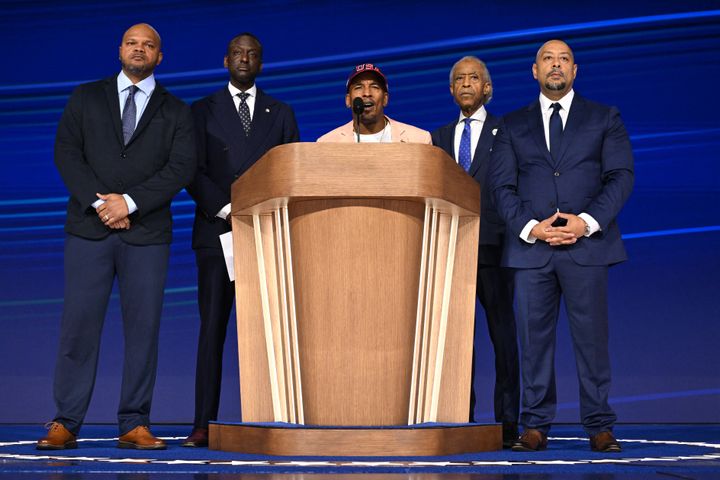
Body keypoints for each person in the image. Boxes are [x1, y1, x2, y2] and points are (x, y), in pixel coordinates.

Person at [37, 23, 196, 450]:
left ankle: (134, 422)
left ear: (160, 57)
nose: (139, 49)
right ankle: (66, 421)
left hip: (147, 235)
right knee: (78, 328)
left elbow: (179, 169)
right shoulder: (85, 97)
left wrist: (128, 203)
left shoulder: (178, 111)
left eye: (148, 45)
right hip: (89, 230)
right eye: (132, 43)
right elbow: (67, 154)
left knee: (143, 331)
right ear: (119, 50)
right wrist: (101, 203)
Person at [488, 39, 634, 452]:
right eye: (547, 59)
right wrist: (532, 227)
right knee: (533, 343)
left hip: (586, 247)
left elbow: (620, 176)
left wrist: (585, 223)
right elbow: (502, 186)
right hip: (532, 250)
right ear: (534, 71)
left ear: (575, 70)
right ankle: (534, 425)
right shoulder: (512, 125)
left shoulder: (604, 117)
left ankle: (600, 425)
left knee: (592, 341)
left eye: (564, 59)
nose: (556, 65)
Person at [182, 33, 299, 448]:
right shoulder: (200, 111)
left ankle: (276, 423)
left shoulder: (281, 113)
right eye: (237, 53)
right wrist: (230, 210)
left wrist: (259, 212)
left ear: (261, 63)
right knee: (212, 329)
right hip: (218, 235)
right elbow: (191, 170)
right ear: (225, 59)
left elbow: (292, 173)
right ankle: (202, 423)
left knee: (273, 332)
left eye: (252, 54)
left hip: (267, 234)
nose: (244, 59)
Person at [431, 56, 519, 448]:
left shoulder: (508, 131)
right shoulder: (437, 138)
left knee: (502, 335)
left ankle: (507, 422)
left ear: (487, 89)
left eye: (474, 78)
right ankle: (459, 417)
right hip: (450, 248)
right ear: (451, 91)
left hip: (496, 247)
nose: (466, 84)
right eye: (459, 79)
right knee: (454, 341)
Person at [317, 63, 431, 143]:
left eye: (374, 86)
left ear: (385, 99)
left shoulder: (419, 140)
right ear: (348, 100)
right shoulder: (327, 143)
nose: (367, 93)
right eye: (358, 87)